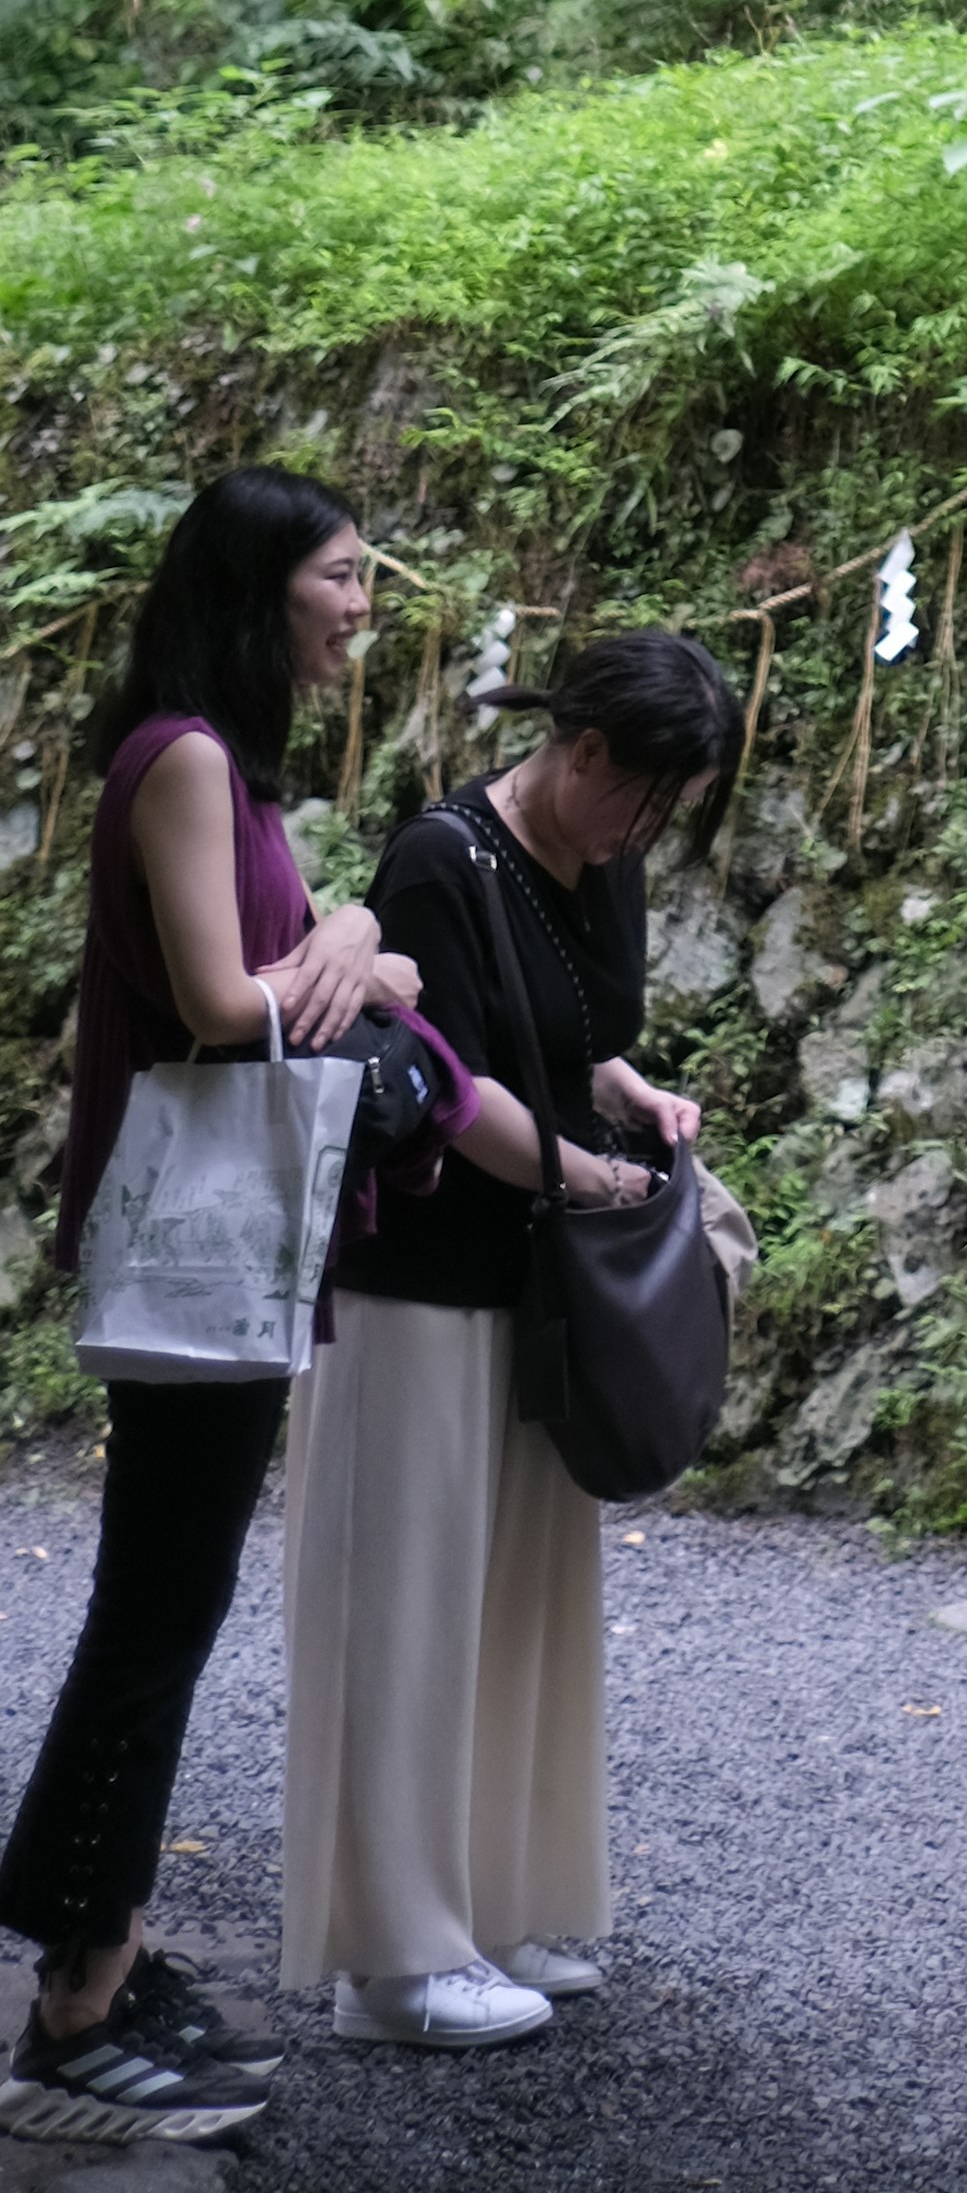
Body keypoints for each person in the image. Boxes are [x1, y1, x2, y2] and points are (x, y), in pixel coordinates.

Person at [0, 466, 418, 2145]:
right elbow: (218, 997)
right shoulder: (179, 758)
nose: (362, 602)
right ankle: (73, 2005)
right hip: (199, 1243)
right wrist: (346, 962)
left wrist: (365, 926)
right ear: (260, 589)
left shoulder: (228, 773)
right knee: (156, 1612)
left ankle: (105, 1951)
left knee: (165, 1602)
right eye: (341, 574)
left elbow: (322, 946)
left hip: (229, 1246)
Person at [282, 624, 738, 2054]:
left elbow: (568, 1033)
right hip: (421, 1282)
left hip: (541, 1287)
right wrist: (591, 1175)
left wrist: (632, 1093)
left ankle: (497, 1904)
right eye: (642, 796)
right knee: (409, 1613)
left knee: (525, 1606)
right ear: (581, 749)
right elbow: (439, 1073)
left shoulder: (603, 860)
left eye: (671, 810)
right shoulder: (440, 859)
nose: (646, 831)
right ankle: (393, 1959)